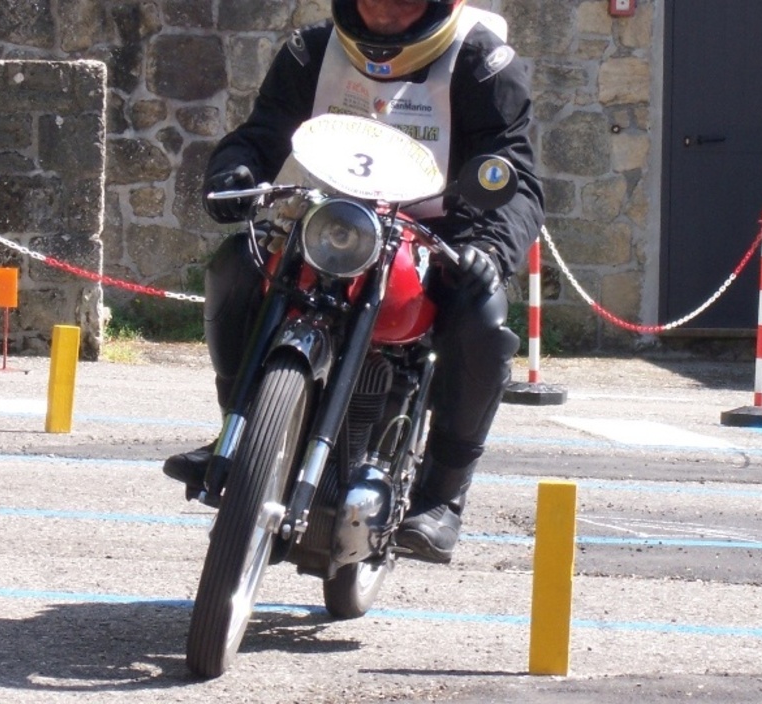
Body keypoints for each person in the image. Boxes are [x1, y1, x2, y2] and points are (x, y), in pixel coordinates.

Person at [164, 0, 545, 564]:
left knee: (482, 315)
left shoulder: (482, 62)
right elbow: (264, 131)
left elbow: (511, 170)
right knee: (236, 266)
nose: (384, 9)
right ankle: (239, 435)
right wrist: (237, 171)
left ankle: (442, 494)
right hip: (327, 220)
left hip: (438, 231)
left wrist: (489, 247)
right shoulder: (312, 51)